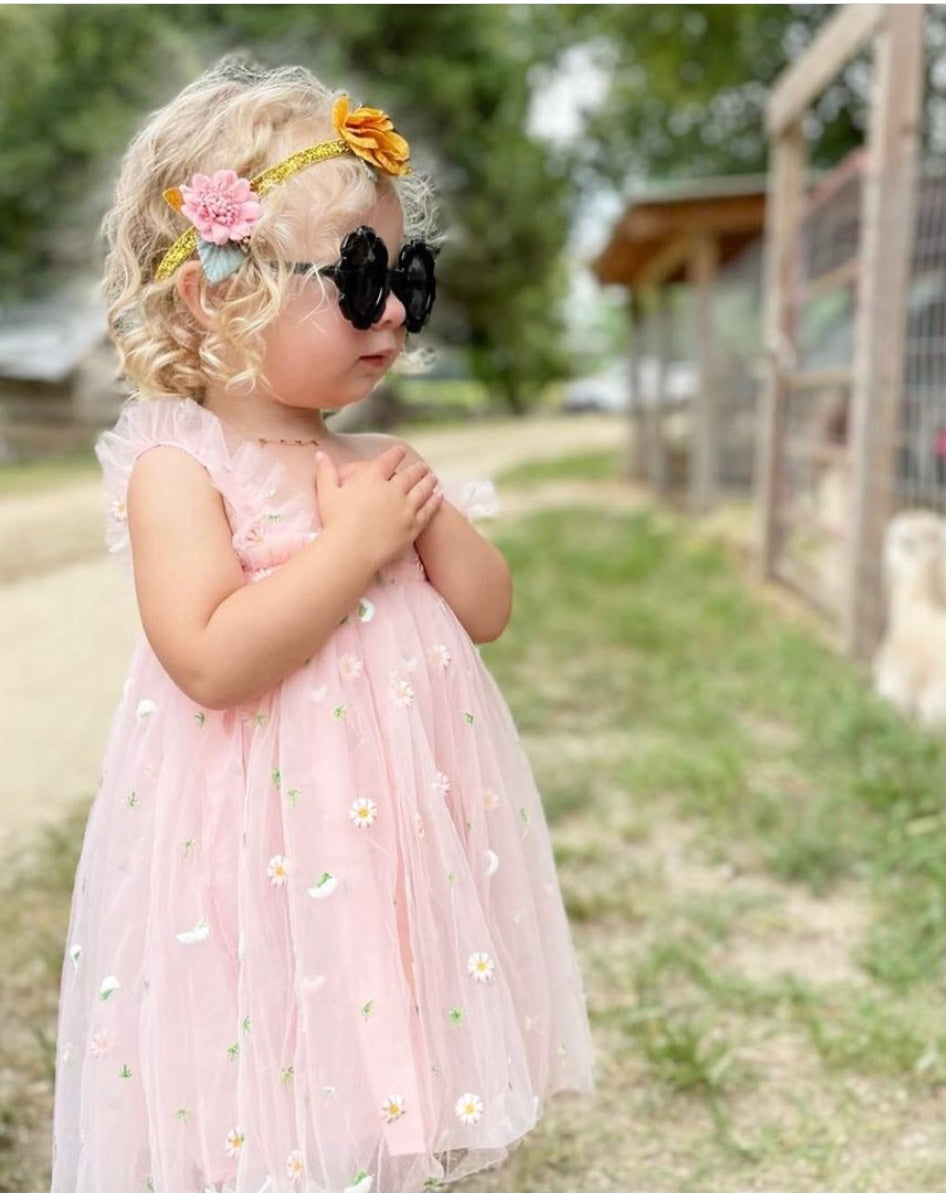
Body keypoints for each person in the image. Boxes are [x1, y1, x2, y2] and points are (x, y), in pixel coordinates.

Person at [49, 60, 595, 1193]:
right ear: (217, 288)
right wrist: (350, 553)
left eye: (406, 277)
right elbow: (206, 656)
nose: (391, 309)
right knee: (278, 1032)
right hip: (258, 841)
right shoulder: (178, 469)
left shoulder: (378, 465)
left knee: (388, 1006)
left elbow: (487, 612)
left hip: (395, 831)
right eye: (355, 278)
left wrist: (424, 523)